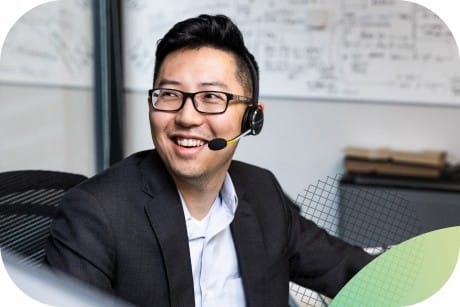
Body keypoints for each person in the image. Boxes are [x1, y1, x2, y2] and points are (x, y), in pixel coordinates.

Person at [46, 14, 374, 307]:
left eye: (211, 97)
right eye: (170, 94)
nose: (187, 117)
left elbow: (352, 271)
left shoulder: (262, 192)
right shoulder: (96, 213)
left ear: (252, 119)